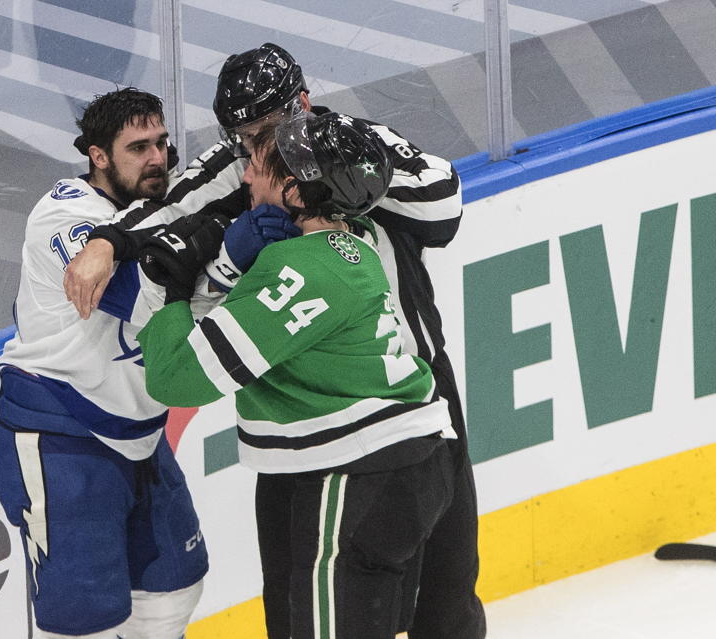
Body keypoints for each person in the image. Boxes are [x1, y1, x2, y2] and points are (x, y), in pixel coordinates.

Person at [65, 43, 485, 639]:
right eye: (242, 138)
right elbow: (168, 209)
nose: (252, 152)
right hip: (329, 423)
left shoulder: (348, 151)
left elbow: (443, 208)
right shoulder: (248, 165)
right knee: (306, 610)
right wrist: (106, 241)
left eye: (266, 133)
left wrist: (337, 176)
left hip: (410, 393)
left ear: (303, 107)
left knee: (445, 593)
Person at [137, 112, 457, 639]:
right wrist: (227, 271)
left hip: (358, 472)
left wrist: (168, 291)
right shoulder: (354, 241)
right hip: (393, 465)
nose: (245, 178)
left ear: (294, 192)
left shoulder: (302, 271)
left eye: (259, 167)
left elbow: (179, 379)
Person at [0, 88, 210, 639]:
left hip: (139, 433)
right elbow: (144, 298)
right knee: (83, 626)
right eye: (138, 147)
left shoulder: (167, 200)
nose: (157, 157)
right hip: (61, 435)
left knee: (174, 594)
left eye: (161, 143)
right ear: (99, 156)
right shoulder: (65, 217)